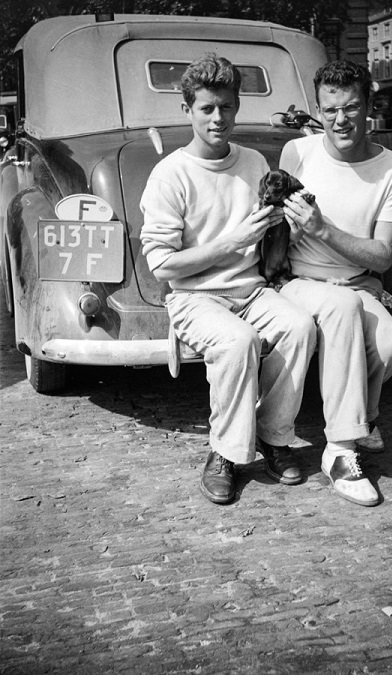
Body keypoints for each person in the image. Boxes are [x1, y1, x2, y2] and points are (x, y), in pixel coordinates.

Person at [140, 54, 316, 504]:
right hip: (194, 296)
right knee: (238, 342)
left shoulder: (255, 161)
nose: (218, 118)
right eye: (206, 108)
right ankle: (225, 453)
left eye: (227, 107)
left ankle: (274, 436)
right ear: (187, 110)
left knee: (299, 328)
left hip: (251, 289)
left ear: (237, 107)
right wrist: (231, 242)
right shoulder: (170, 175)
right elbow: (161, 265)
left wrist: (294, 224)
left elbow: (273, 233)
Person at [279, 59, 392, 507]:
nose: (340, 120)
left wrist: (324, 231)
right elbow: (278, 230)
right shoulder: (297, 154)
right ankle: (341, 451)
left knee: (390, 344)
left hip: (357, 284)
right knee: (343, 312)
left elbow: (383, 254)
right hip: (300, 280)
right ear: (318, 109)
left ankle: (364, 416)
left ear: (368, 106)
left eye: (351, 108)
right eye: (329, 109)